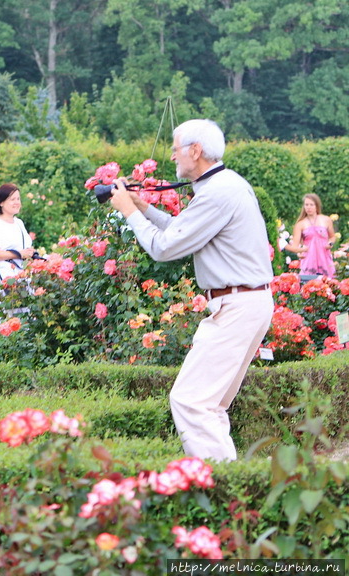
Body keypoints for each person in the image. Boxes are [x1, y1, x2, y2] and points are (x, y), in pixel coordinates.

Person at [109, 119, 274, 462]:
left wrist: (128, 213)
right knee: (209, 406)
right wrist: (144, 208)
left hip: (238, 305)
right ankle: (232, 486)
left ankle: (218, 486)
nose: (172, 157)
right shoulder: (223, 185)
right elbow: (180, 230)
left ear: (195, 151)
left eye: (175, 149)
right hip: (245, 302)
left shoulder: (217, 192)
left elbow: (164, 248)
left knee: (190, 401)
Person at [0, 183, 35, 292]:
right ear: (1, 202)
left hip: (23, 277)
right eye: (12, 199)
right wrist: (18, 254)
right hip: (5, 279)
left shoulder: (19, 223)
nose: (17, 203)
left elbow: (24, 248)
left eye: (18, 199)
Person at [284, 193, 336, 277]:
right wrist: (299, 251)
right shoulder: (300, 224)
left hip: (325, 258)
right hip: (309, 259)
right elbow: (295, 246)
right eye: (306, 205)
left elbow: (332, 237)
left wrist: (330, 243)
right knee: (308, 283)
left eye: (311, 205)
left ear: (316, 206)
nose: (309, 207)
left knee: (328, 283)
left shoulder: (326, 220)